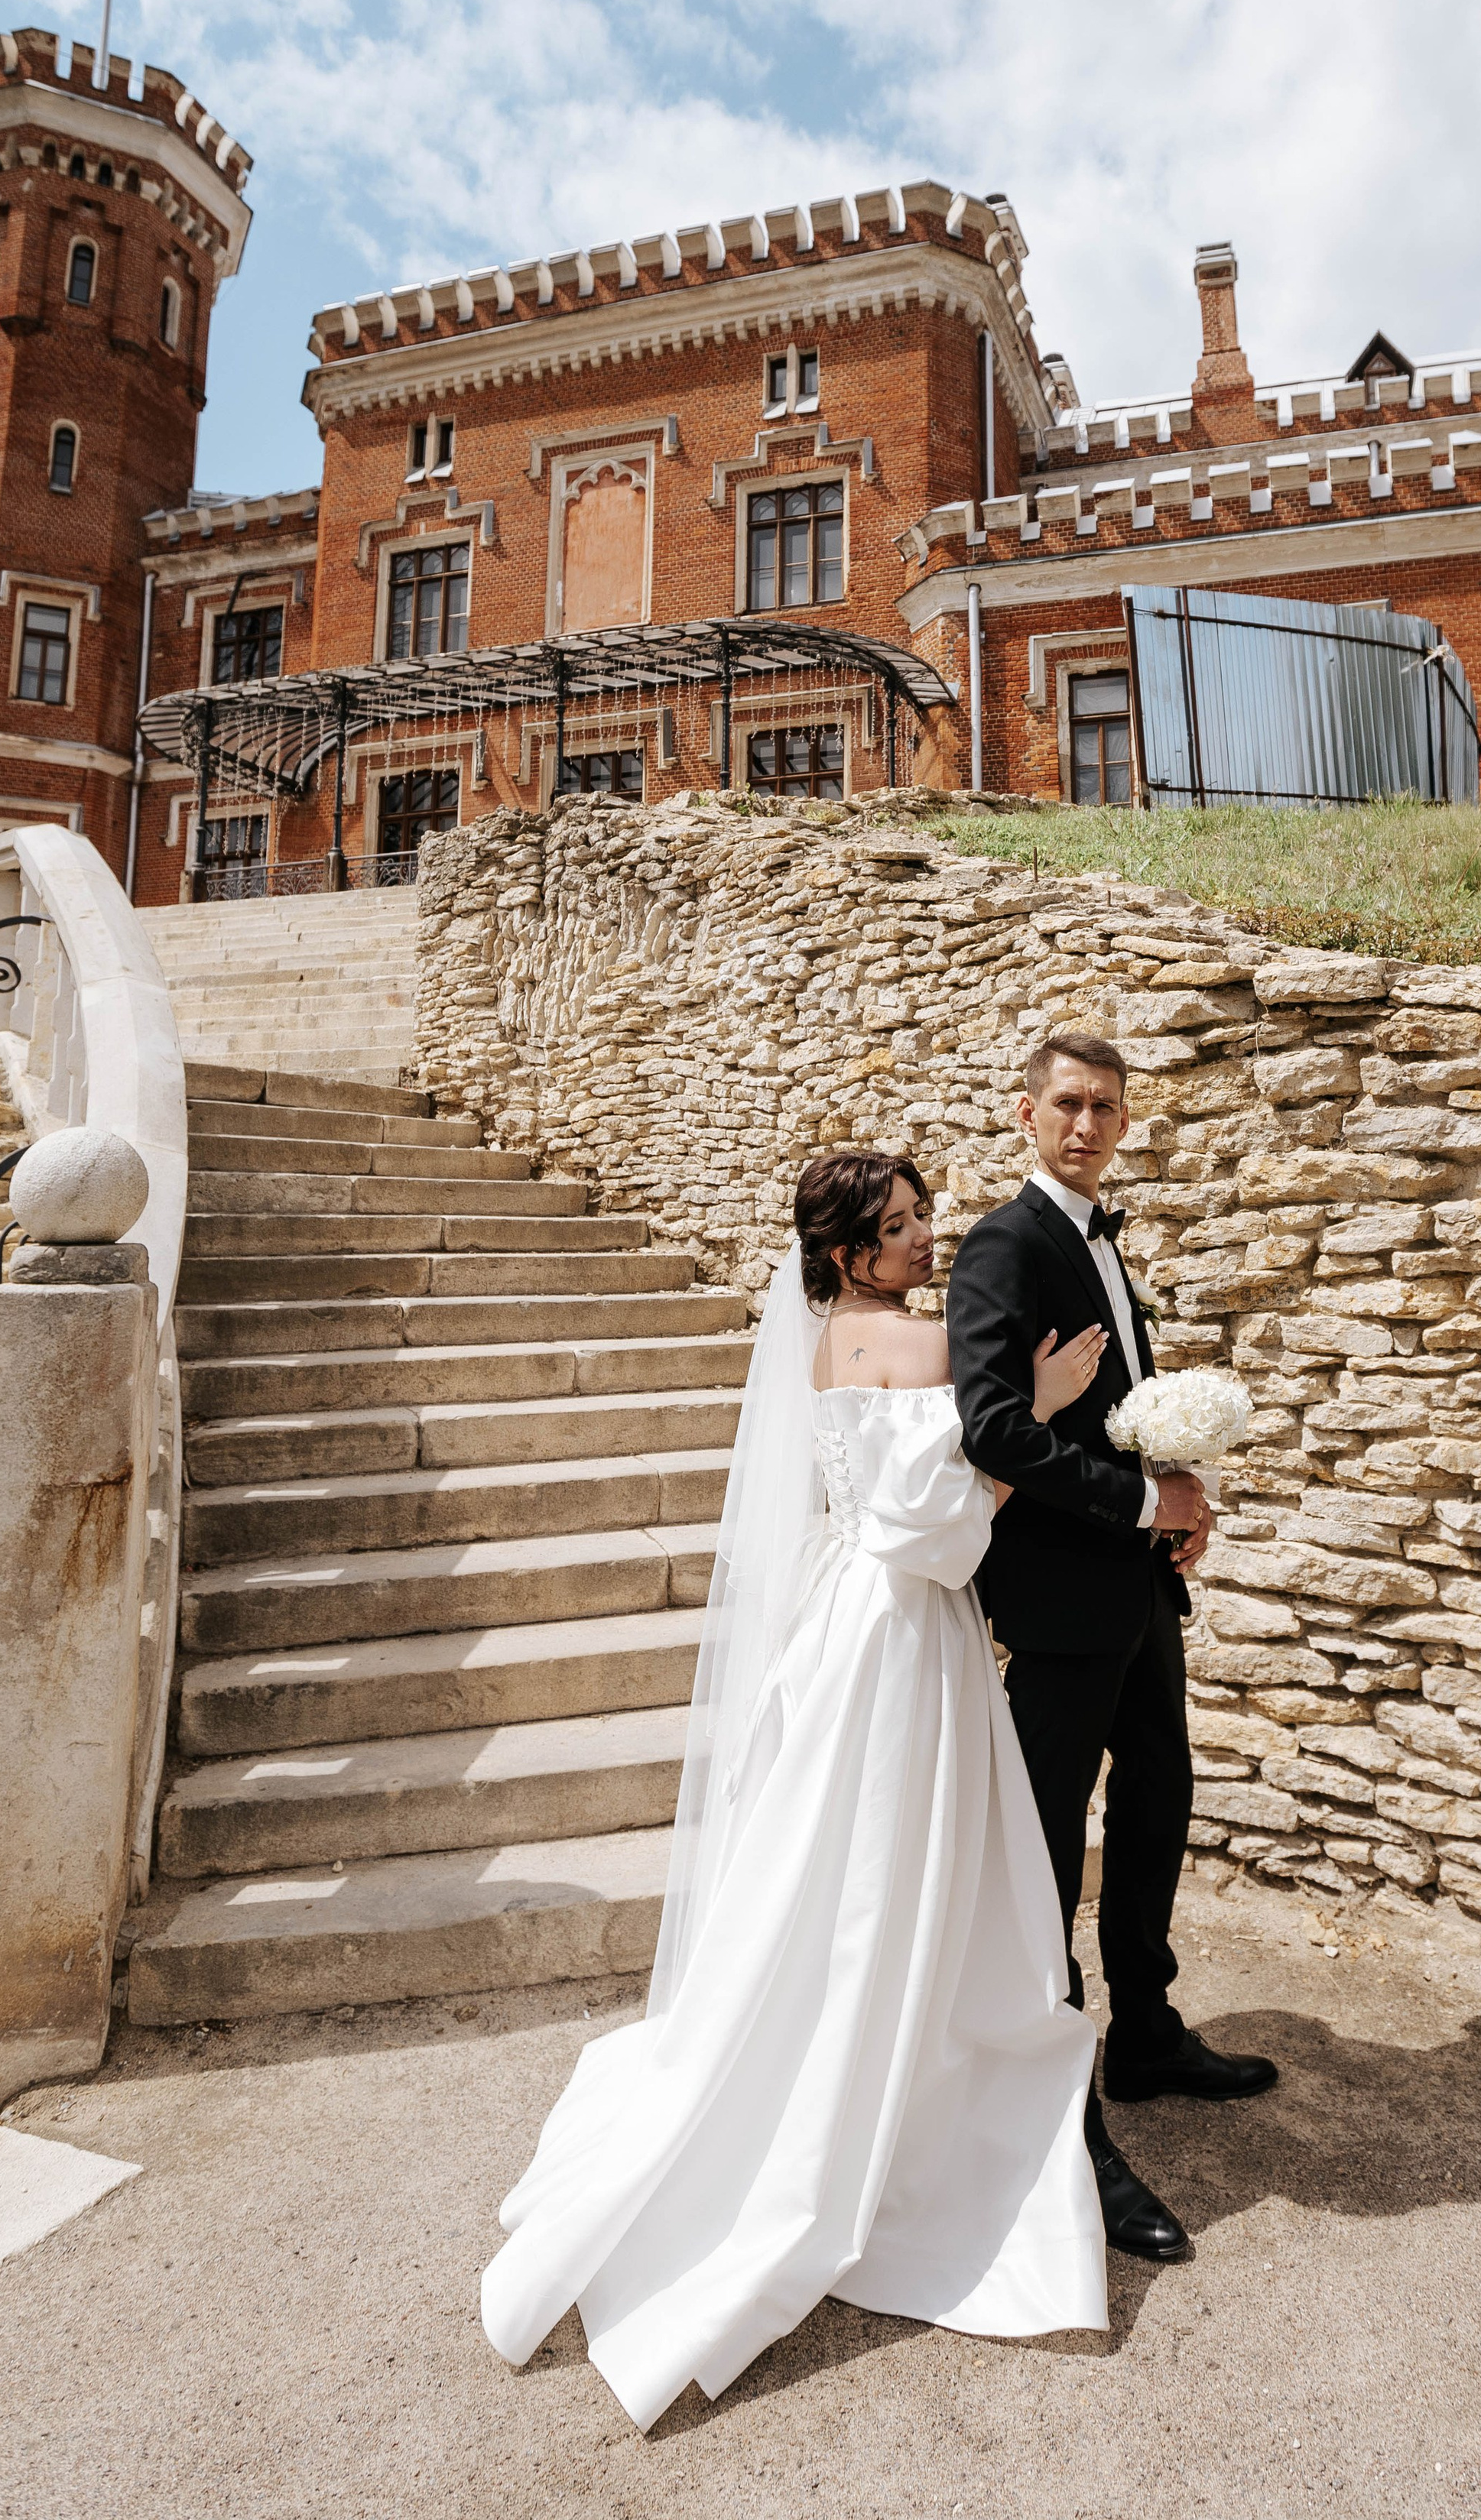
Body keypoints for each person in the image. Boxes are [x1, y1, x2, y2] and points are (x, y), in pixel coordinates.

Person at [480, 1151, 1116, 2429]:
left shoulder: (831, 1341)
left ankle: (861, 2040)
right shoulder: (920, 1346)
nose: (924, 1236)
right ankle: (889, 2095)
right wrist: (1036, 1409)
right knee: (894, 1859)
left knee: (835, 1862)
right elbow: (932, 1523)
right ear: (844, 1254)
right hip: (902, 1629)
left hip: (849, 1627)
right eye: (897, 1227)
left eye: (922, 1214)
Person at [947, 1031, 1278, 2265]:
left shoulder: (1106, 1244)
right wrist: (1142, 1506)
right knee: (1047, 1856)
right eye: (1068, 1105)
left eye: (1106, 1108)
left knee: (1162, 1803)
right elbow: (989, 1428)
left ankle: (1145, 2029)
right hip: (1051, 1606)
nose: (1087, 1125)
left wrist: (1177, 1496)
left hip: (1137, 1595)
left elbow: (1113, 1420)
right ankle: (1064, 2119)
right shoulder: (1003, 1245)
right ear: (1027, 1114)